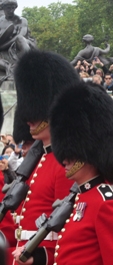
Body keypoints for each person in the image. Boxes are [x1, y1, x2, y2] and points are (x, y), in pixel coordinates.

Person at [48, 82, 113, 265]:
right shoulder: (82, 198)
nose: (64, 160)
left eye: (71, 155)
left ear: (86, 152)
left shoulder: (105, 203)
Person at [10, 50, 80, 265]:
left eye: (37, 112)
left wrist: (41, 257)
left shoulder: (65, 164)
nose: (28, 119)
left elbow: (68, 232)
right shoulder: (38, 160)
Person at [0, 0, 36, 77]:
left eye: (13, 8)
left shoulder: (22, 20)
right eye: (8, 8)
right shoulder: (0, 21)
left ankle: (26, 63)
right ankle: (8, 67)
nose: (11, 10)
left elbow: (20, 36)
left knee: (20, 39)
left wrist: (3, 46)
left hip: (20, 45)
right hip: (4, 47)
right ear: (3, 8)